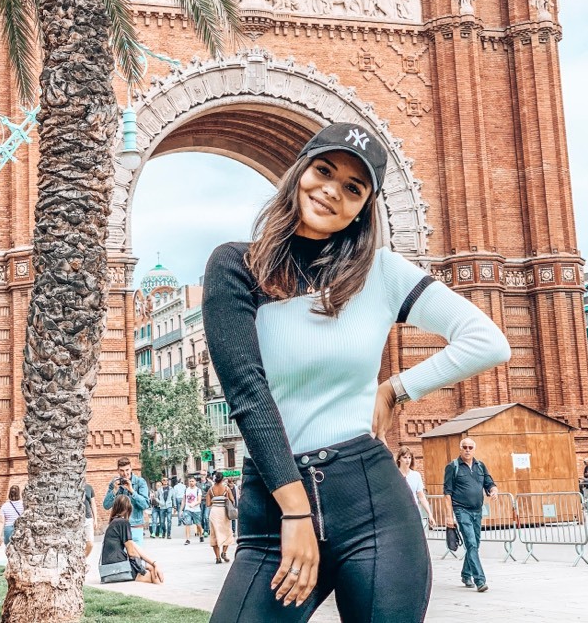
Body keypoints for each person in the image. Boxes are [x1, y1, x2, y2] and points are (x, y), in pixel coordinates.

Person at [202, 121, 511, 621]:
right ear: (300, 170)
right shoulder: (237, 266)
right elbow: (247, 393)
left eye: (353, 188)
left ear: (363, 208)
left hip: (371, 505)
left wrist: (395, 388)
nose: (331, 191)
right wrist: (297, 511)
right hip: (274, 508)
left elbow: (488, 341)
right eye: (323, 170)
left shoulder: (382, 273)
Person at [443, 438, 498, 593]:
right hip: (462, 510)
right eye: (464, 447)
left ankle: (466, 574)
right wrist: (449, 516)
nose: (467, 450)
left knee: (475, 544)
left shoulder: (480, 466)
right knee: (471, 544)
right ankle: (480, 580)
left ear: (474, 449)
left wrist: (494, 490)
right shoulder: (452, 467)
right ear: (460, 449)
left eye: (470, 447)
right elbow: (447, 494)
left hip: (477, 510)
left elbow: (489, 483)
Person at [100, 495, 164, 584]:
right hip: (120, 568)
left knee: (151, 567)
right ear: (128, 508)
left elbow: (134, 546)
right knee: (153, 574)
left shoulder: (114, 523)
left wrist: (153, 563)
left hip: (110, 568)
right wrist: (144, 566)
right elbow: (131, 552)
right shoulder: (123, 522)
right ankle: (160, 592)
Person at [102, 457, 150, 548]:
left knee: (136, 559)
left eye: (127, 470)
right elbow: (106, 505)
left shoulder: (140, 482)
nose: (125, 473)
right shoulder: (115, 483)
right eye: (122, 470)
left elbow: (145, 505)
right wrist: (114, 491)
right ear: (118, 471)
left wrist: (132, 491)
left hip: (135, 527)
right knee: (121, 559)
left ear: (131, 468)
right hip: (119, 528)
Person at [396, 446, 436, 528]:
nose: (407, 460)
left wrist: (430, 514)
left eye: (409, 457)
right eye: (405, 457)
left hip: (414, 512)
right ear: (399, 459)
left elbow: (421, 497)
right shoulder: (394, 475)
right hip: (399, 514)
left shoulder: (416, 475)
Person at [206, 472, 236, 564]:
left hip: (214, 512)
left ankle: (218, 558)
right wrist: (225, 498)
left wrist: (214, 500)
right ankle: (224, 552)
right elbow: (232, 501)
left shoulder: (210, 490)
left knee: (214, 534)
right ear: (223, 479)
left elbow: (208, 504)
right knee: (227, 532)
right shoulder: (226, 489)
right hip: (224, 512)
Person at [181, 476, 204, 545]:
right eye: (190, 481)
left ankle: (201, 535)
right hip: (187, 509)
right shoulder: (186, 490)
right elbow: (183, 500)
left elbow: (199, 501)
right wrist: (181, 510)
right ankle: (187, 539)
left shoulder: (198, 490)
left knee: (198, 524)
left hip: (196, 510)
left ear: (195, 482)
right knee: (187, 524)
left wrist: (193, 504)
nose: (191, 483)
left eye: (192, 481)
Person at [83, 482, 98, 557]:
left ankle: (83, 559)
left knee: (90, 544)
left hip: (88, 518)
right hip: (76, 520)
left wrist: (95, 519)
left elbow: (93, 504)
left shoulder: (89, 487)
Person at [199, 470, 213, 537]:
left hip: (207, 502)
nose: (202, 476)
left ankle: (206, 531)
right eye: (201, 474)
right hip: (200, 502)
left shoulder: (209, 483)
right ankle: (204, 528)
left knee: (206, 517)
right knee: (201, 518)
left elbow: (211, 493)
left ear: (206, 475)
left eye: (204, 474)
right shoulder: (197, 483)